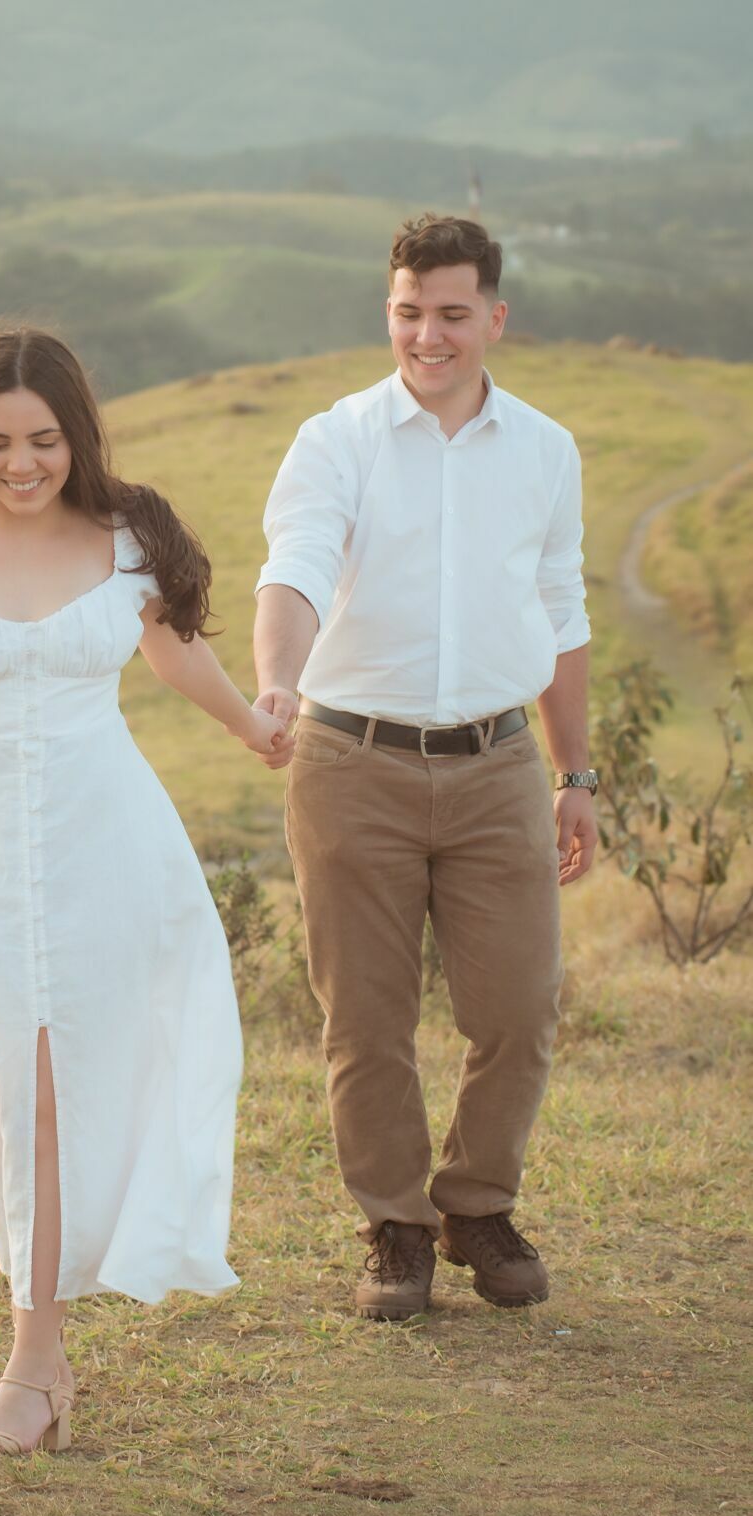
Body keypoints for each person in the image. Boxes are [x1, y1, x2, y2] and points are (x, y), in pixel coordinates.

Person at [0, 326, 287, 1454]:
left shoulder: (124, 537)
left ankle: (35, 1365)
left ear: (76, 434)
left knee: (73, 1087)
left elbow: (173, 651)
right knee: (13, 1102)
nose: (20, 463)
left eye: (41, 439)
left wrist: (251, 725)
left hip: (113, 848)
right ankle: (39, 1351)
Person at [252, 215, 598, 1320]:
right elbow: (295, 571)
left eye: (452, 313)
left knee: (520, 1007)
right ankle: (396, 1227)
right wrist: (275, 682)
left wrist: (575, 770)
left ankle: (478, 1204)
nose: (429, 335)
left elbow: (563, 609)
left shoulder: (546, 449)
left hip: (500, 762)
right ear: (388, 312)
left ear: (495, 316)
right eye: (409, 312)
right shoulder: (336, 440)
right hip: (352, 757)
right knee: (366, 1015)